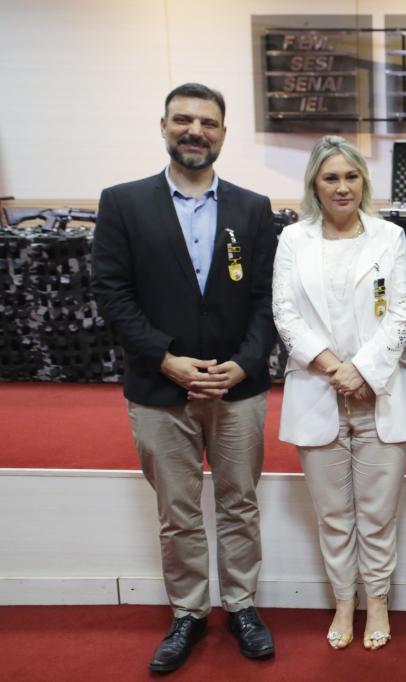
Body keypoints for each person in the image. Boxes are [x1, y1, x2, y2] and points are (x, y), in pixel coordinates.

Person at [91, 83, 277, 672]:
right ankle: (189, 613)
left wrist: (244, 363)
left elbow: (267, 299)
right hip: (159, 388)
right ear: (164, 126)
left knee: (240, 504)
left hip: (237, 389)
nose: (195, 131)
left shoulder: (253, 207)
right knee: (178, 513)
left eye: (208, 122)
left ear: (223, 132)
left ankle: (242, 605)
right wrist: (165, 358)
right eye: (183, 120)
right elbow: (112, 294)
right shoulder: (123, 203)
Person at [272, 135, 406, 651]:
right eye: (331, 177)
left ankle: (376, 598)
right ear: (315, 184)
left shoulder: (389, 236)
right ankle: (344, 599)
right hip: (317, 389)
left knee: (378, 513)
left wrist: (360, 370)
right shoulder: (293, 239)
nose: (342, 187)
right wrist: (334, 368)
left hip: (381, 391)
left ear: (364, 181)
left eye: (351, 176)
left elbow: (401, 311)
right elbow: (284, 313)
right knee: (333, 514)